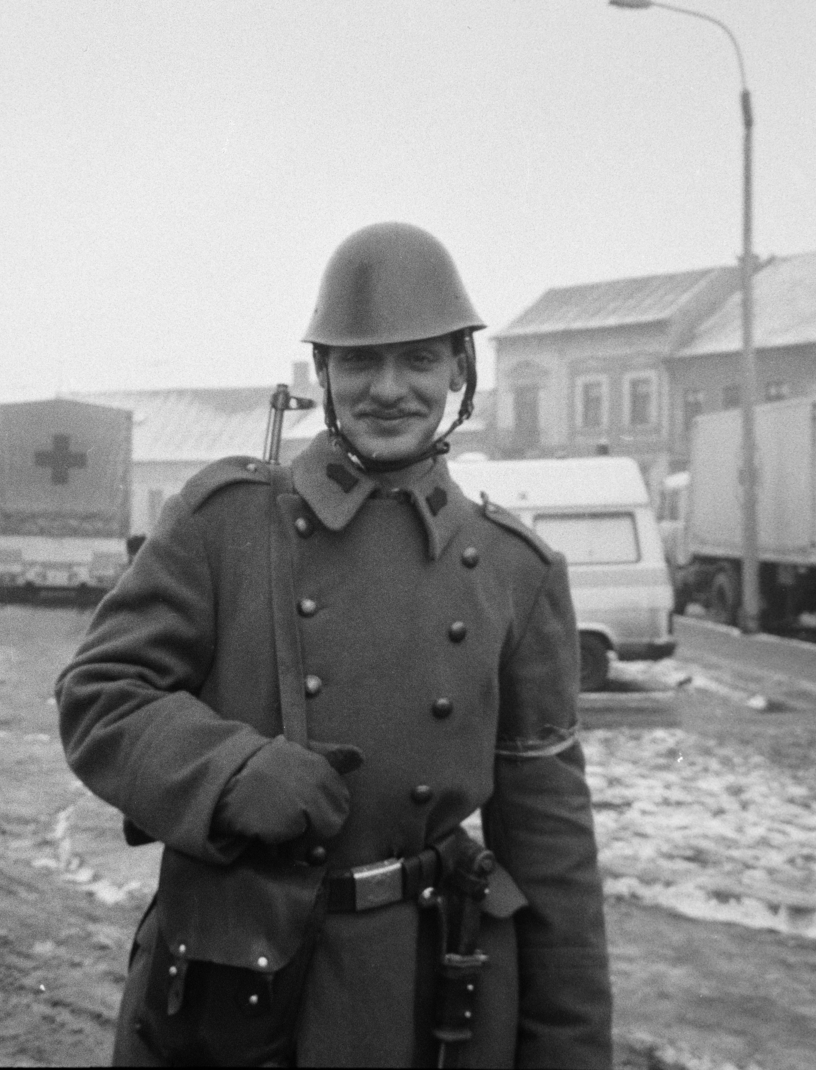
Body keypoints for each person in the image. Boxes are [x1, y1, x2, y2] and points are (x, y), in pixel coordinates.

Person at [56, 222, 612, 1067]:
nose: (389, 389)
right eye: (360, 362)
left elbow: (555, 860)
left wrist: (568, 1053)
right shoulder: (226, 524)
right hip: (238, 980)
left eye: (420, 360)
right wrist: (230, 771)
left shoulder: (515, 572)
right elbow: (101, 695)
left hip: (433, 1003)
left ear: (459, 372)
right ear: (323, 375)